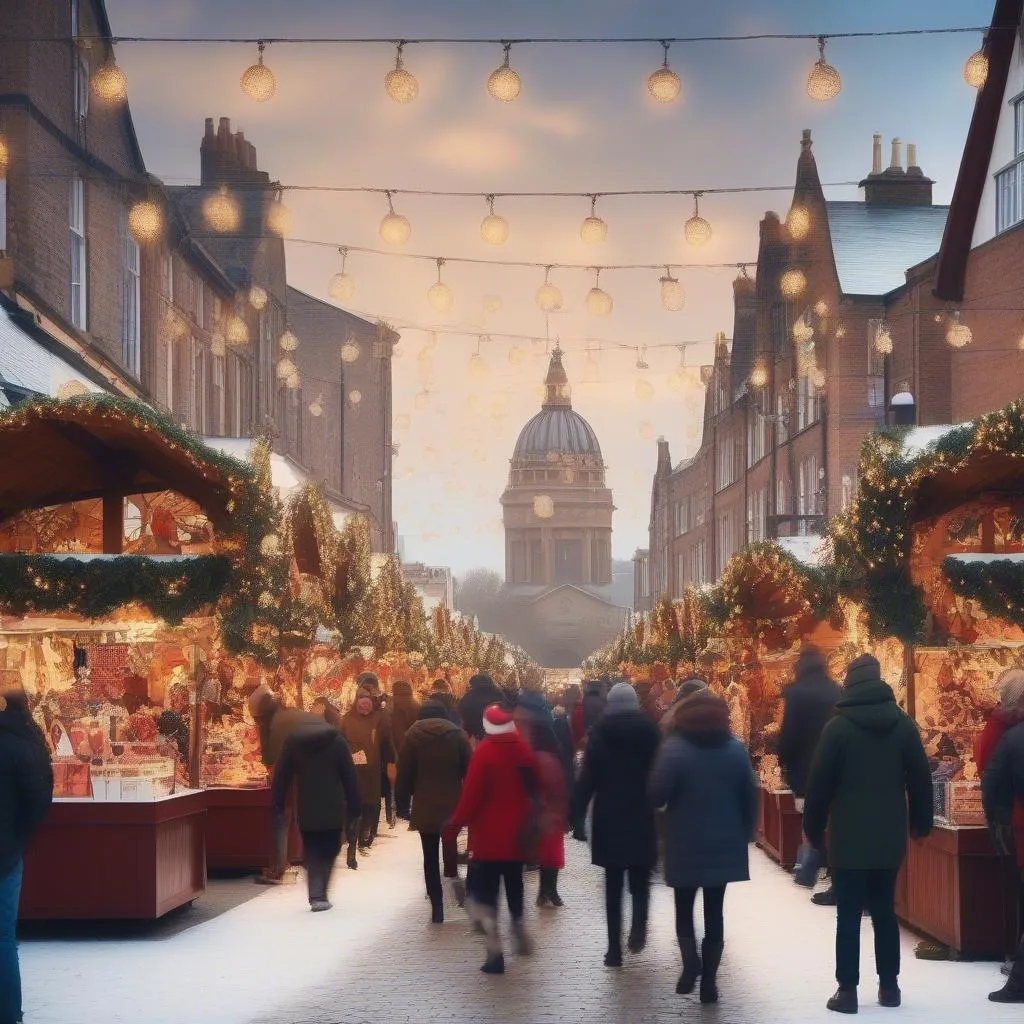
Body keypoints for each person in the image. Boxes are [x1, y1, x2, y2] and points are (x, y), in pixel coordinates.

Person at [803, 654, 933, 1015]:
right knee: (883, 911)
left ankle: (847, 991)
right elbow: (921, 779)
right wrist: (922, 822)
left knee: (847, 914)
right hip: (888, 837)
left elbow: (819, 786)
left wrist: (813, 829)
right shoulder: (903, 726)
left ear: (850, 682)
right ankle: (889, 987)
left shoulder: (838, 728)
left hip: (848, 837)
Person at [649, 688, 758, 1005]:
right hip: (723, 843)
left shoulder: (674, 749)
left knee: (683, 907)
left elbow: (657, 794)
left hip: (684, 842)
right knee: (715, 911)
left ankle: (690, 964)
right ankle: (709, 982)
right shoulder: (735, 750)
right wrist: (745, 830)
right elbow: (749, 796)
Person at [445, 704, 538, 974]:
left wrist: (453, 828)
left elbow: (470, 798)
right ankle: (519, 922)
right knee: (514, 883)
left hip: (487, 840)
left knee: (488, 896)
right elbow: (535, 790)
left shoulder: (484, 753)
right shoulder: (522, 750)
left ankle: (494, 954)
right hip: (518, 837)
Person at [574, 681, 661, 967]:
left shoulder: (601, 732)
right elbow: (660, 770)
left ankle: (614, 949)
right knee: (640, 878)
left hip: (609, 815)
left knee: (613, 885)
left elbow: (588, 776)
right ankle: (638, 926)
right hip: (641, 811)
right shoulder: (650, 731)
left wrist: (575, 813)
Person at [1, 689, 53, 1024]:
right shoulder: (28, 741)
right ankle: (9, 1014)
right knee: (4, 938)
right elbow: (40, 797)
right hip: (7, 853)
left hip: (8, 847)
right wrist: (19, 836)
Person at [395, 699, 472, 923]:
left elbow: (404, 774)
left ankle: (437, 906)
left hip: (425, 803)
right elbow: (470, 769)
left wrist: (402, 804)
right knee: (452, 849)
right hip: (453, 804)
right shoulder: (457, 735)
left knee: (429, 857)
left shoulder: (412, 736)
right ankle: (458, 887)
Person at [271, 717, 360, 911]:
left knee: (312, 848)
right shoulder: (337, 742)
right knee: (330, 848)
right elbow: (349, 776)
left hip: (306, 805)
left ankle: (316, 892)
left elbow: (281, 774)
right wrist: (355, 807)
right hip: (333, 805)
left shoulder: (295, 742)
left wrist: (277, 801)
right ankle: (319, 894)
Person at [777, 646, 841, 896]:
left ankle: (812, 862)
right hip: (834, 764)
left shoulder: (796, 692)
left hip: (805, 767)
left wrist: (784, 761)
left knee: (809, 817)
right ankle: (832, 868)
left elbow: (790, 733)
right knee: (834, 818)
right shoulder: (835, 689)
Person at [249, 684, 328, 883]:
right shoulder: (290, 715)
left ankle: (279, 867)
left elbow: (273, 762)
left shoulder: (273, 725)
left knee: (281, 817)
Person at [980, 667, 1024, 1002]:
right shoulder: (1004, 731)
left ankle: (1019, 982)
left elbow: (991, 778)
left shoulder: (1007, 735)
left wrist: (998, 819)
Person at [515, 706, 567, 908]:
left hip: (540, 812)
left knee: (545, 852)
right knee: (551, 853)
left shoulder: (531, 754)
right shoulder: (548, 758)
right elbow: (558, 786)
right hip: (548, 813)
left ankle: (546, 892)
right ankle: (549, 891)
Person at [340, 685, 395, 861]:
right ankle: (355, 834)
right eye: (361, 705)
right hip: (352, 767)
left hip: (372, 768)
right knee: (356, 801)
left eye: (367, 705)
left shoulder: (379, 719)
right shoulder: (346, 719)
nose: (364, 708)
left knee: (370, 801)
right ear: (356, 704)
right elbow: (340, 740)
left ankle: (366, 833)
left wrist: (390, 761)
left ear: (371, 704)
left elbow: (386, 742)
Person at [458, 673, 505, 744]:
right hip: (500, 732)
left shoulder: (468, 697)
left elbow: (464, 714)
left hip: (478, 733)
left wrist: (469, 730)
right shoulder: (500, 693)